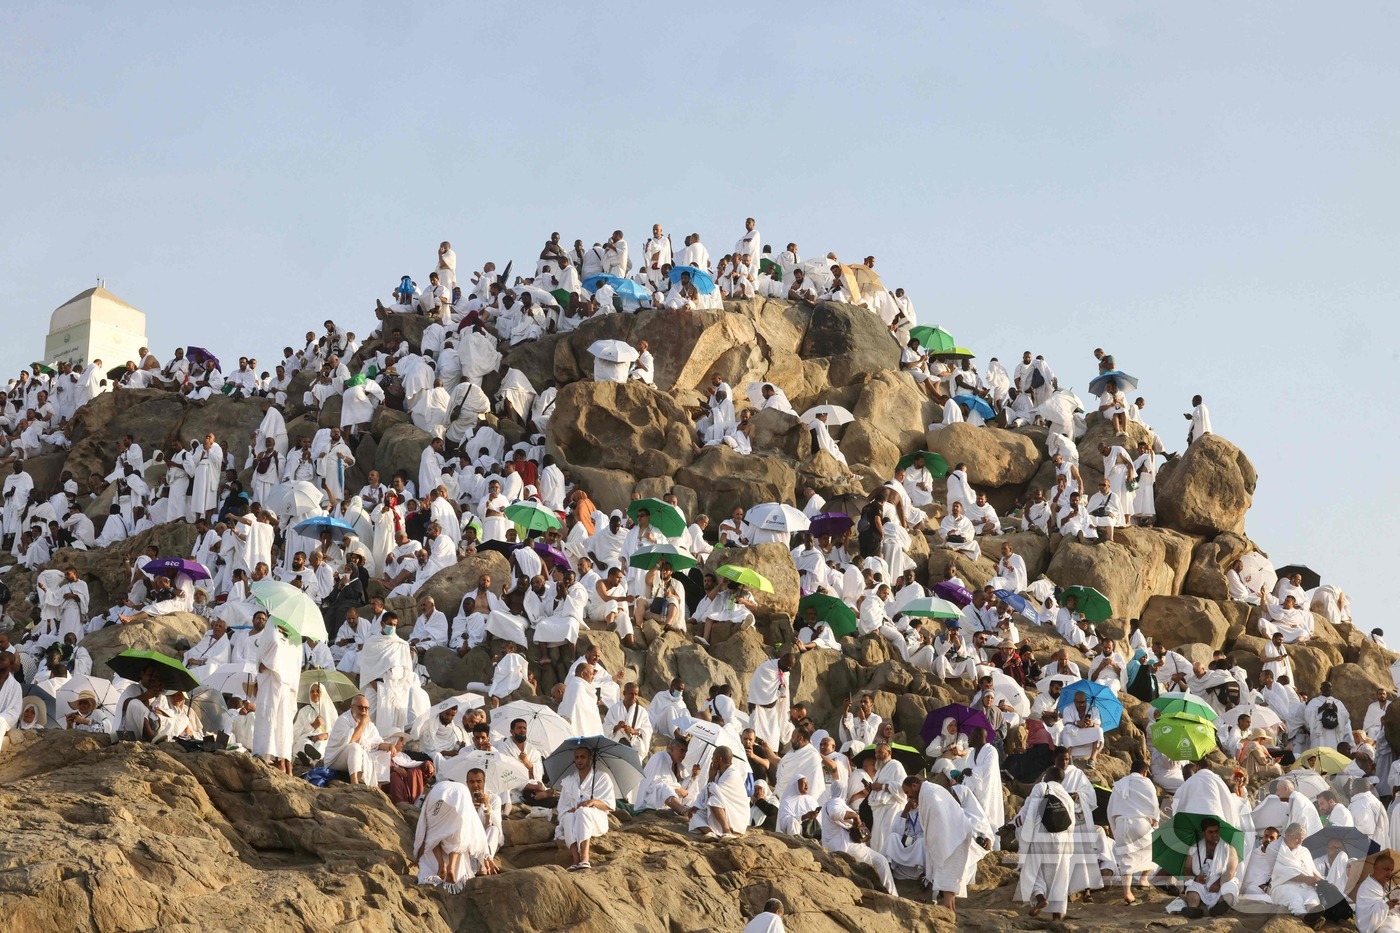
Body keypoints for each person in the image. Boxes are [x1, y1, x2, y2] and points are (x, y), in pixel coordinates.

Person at [1017, 766, 1075, 920]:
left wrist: (1025, 838)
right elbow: (1071, 823)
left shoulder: (1041, 787)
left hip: (1041, 835)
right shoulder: (1067, 797)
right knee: (1060, 875)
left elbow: (1030, 812)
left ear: (1048, 776)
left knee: (1033, 869)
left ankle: (1040, 897)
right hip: (1061, 839)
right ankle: (1057, 915)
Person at [412, 779, 489, 891]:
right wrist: (485, 854)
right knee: (459, 836)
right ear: (466, 782)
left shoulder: (437, 787)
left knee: (433, 833)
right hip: (459, 797)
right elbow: (474, 826)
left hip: (438, 798)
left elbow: (423, 828)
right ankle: (451, 867)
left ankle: (441, 864)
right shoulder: (462, 789)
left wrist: (417, 856)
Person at [1106, 758, 1158, 904]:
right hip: (1140, 823)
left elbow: (1111, 809)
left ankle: (1127, 892)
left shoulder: (1120, 784)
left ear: (1130, 770)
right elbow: (1153, 805)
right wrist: (1155, 821)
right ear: (1145, 772)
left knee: (1125, 858)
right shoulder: (1146, 782)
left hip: (1122, 823)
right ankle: (1143, 878)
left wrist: (1114, 827)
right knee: (1154, 847)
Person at [557, 747, 615, 870]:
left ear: (590, 758)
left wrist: (593, 802)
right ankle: (575, 859)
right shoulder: (569, 781)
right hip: (575, 815)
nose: (579, 760)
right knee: (568, 817)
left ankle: (584, 857)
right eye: (577, 757)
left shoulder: (602, 777)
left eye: (583, 757)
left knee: (583, 811)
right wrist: (571, 809)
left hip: (595, 817)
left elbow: (609, 805)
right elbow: (562, 806)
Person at [1180, 816, 1240, 918]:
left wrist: (1218, 883)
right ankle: (1193, 909)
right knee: (1192, 886)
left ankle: (1220, 906)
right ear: (1204, 833)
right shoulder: (1194, 849)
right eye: (1210, 832)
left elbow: (1231, 871)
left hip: (1223, 880)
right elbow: (1187, 870)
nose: (1215, 835)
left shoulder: (1229, 848)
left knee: (1230, 887)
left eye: (1216, 831)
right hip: (1202, 882)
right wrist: (1196, 878)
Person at [1355, 851, 1400, 933]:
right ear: (1375, 867)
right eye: (1386, 869)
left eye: (1391, 870)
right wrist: (1386, 906)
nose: (1389, 873)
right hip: (1382, 929)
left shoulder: (1388, 886)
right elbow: (1365, 917)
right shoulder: (1366, 887)